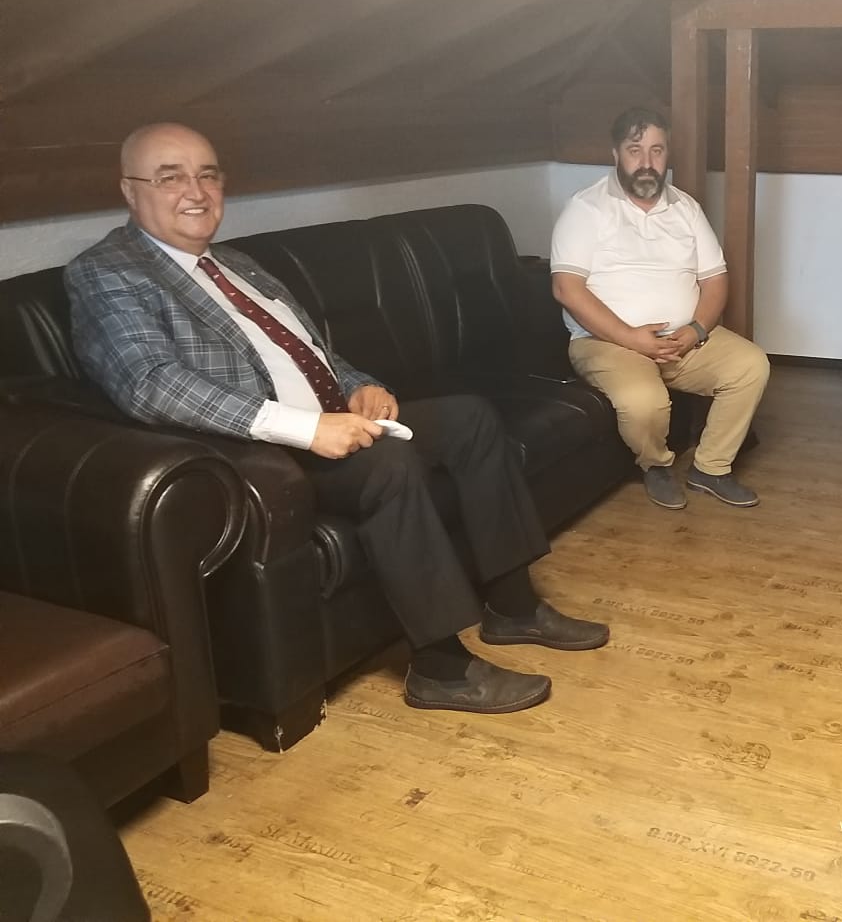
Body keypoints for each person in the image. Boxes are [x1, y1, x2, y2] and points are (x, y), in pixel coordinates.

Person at [64, 122, 608, 717]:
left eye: (208, 175)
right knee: (390, 464)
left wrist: (361, 386)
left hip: (331, 420)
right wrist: (306, 428)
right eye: (171, 178)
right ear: (130, 190)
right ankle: (441, 670)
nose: (195, 191)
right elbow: (150, 383)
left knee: (470, 419)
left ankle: (513, 607)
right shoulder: (108, 273)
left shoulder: (236, 262)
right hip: (262, 452)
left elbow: (310, 350)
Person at [550, 107, 770, 510]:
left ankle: (711, 468)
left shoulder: (685, 208)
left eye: (657, 150)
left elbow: (715, 279)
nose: (647, 162)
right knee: (643, 400)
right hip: (607, 342)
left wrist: (697, 329)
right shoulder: (585, 209)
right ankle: (655, 465)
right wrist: (632, 339)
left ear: (668, 154)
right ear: (616, 154)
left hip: (682, 340)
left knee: (751, 366)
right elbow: (567, 289)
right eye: (635, 150)